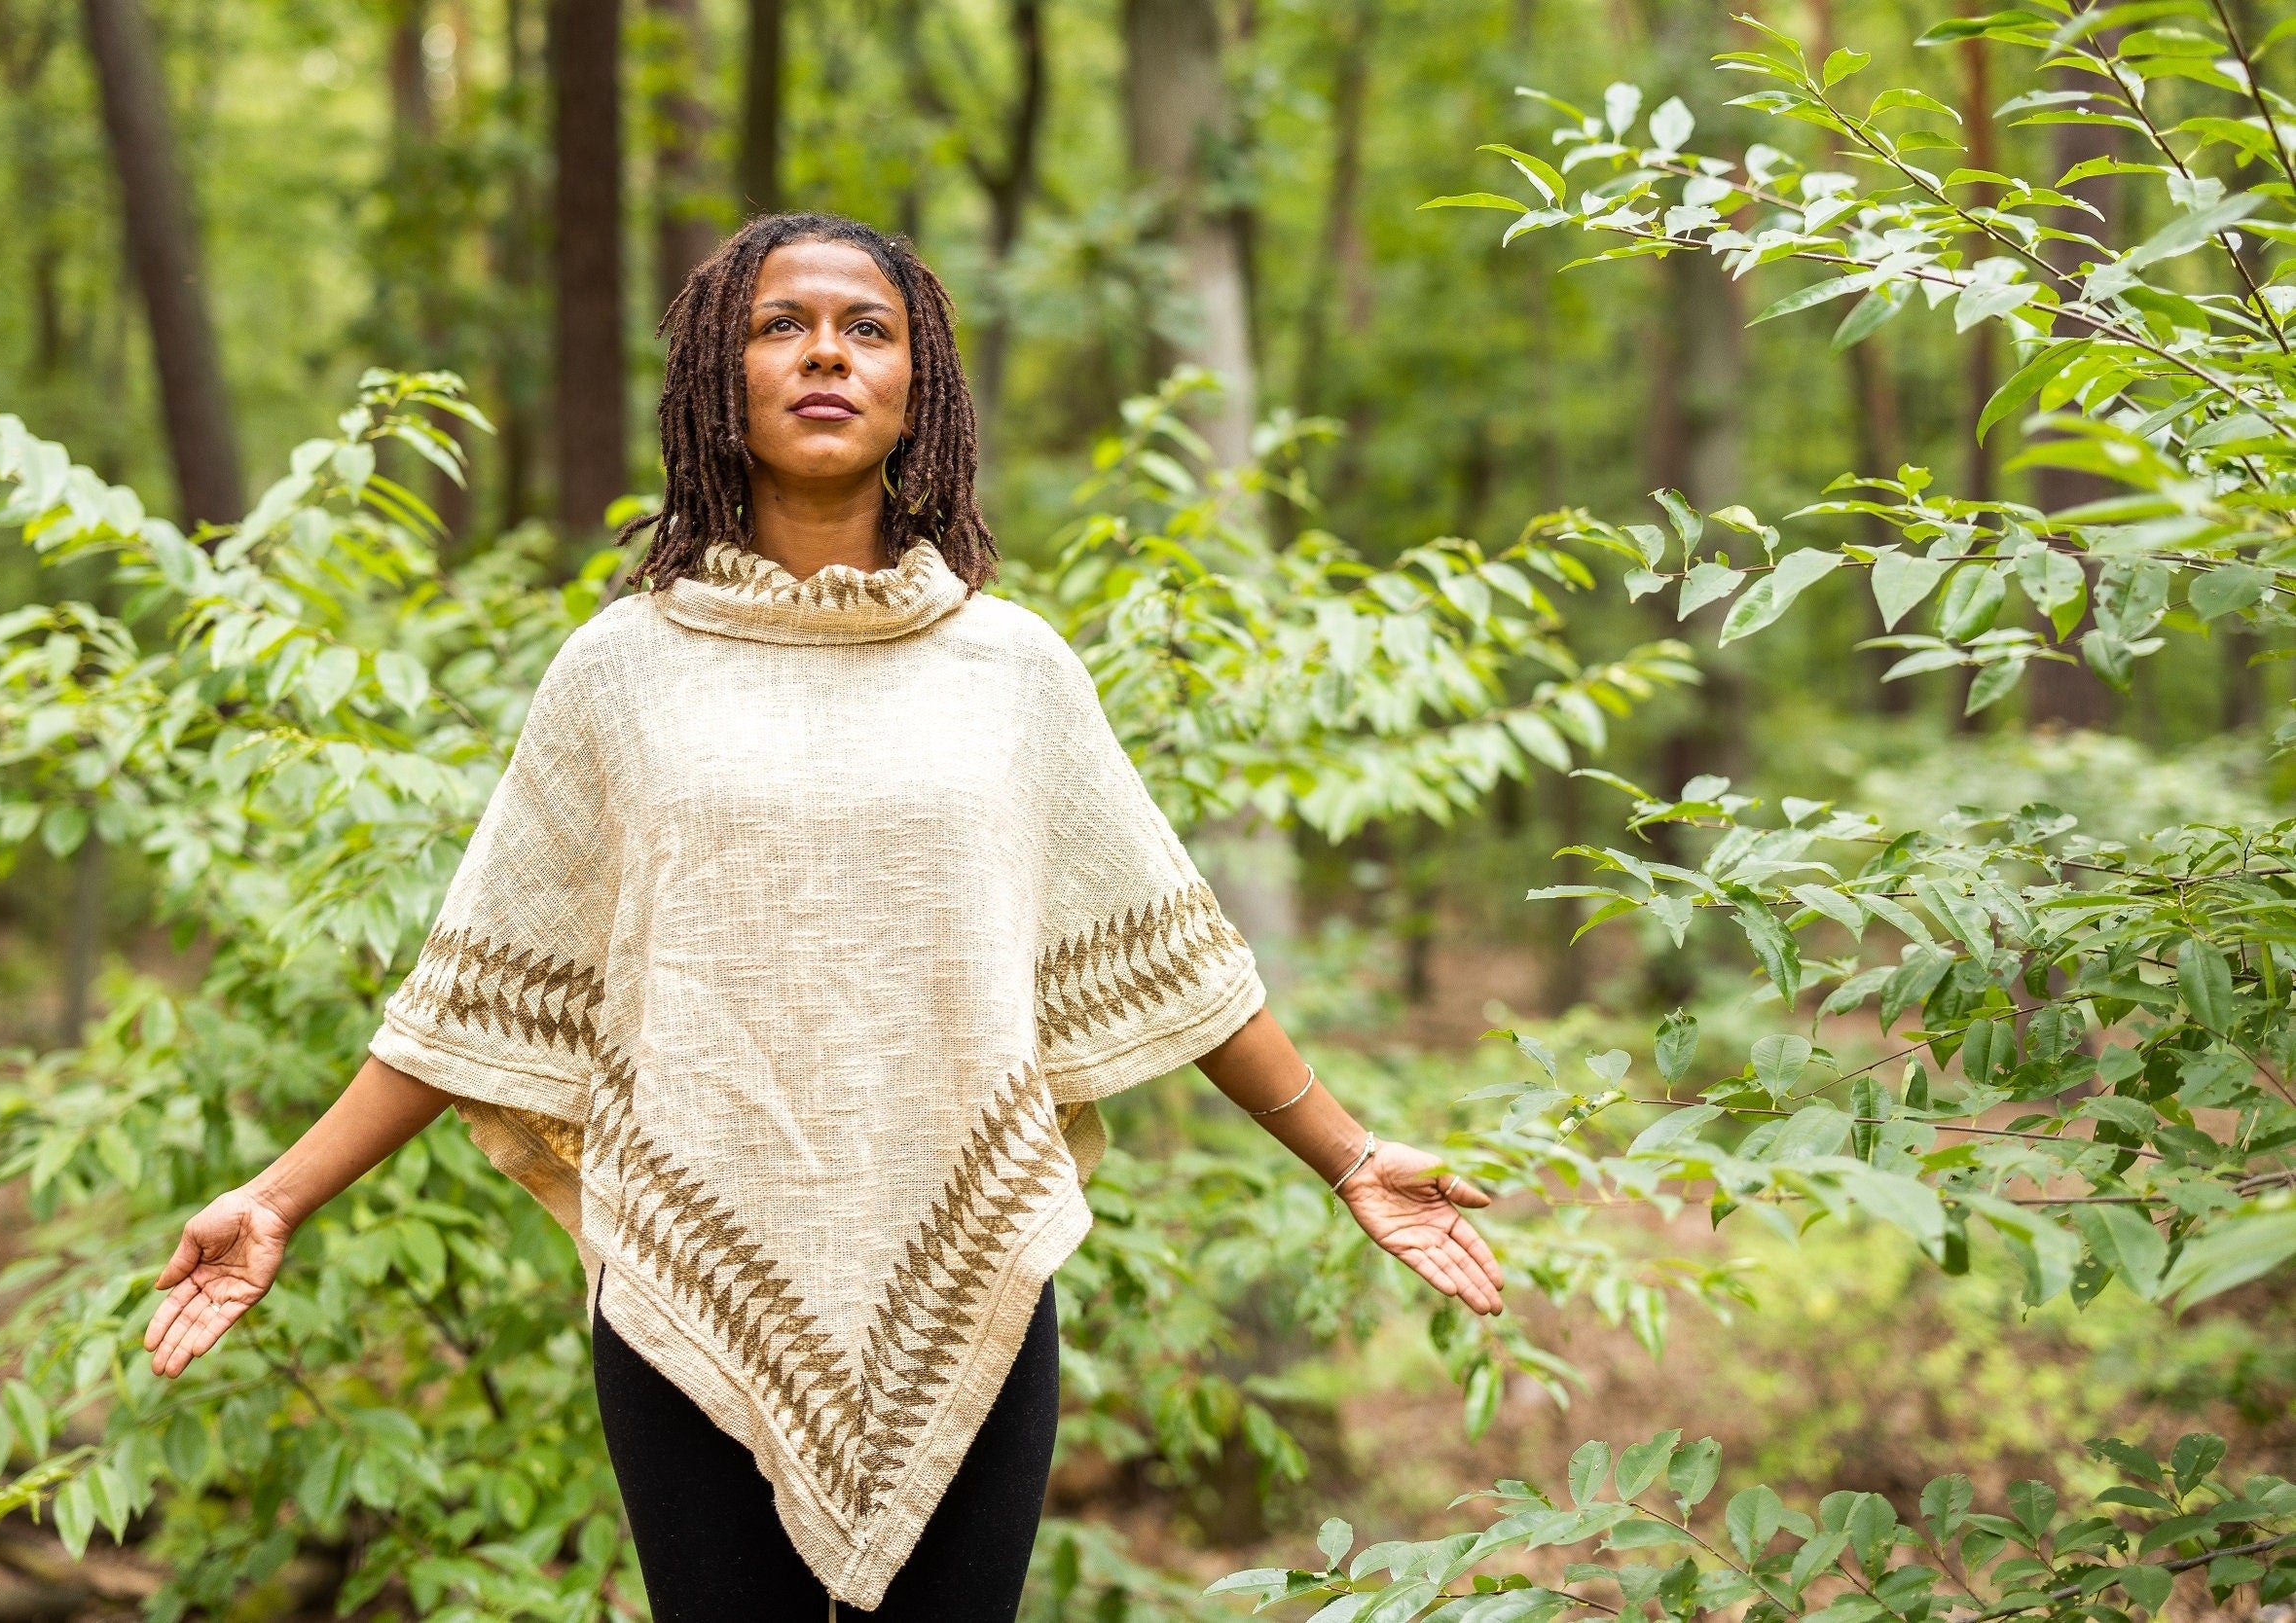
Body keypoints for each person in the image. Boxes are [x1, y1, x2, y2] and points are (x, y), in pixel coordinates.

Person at [142, 212, 1504, 1622]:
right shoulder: (620, 673)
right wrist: (275, 1197)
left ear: (923, 387)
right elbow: (481, 997)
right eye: (780, 326)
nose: (824, 356)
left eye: (867, 329)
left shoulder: (1013, 671)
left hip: (968, 1267)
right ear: (716, 384)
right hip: (687, 1283)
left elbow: (1176, 959)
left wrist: (1349, 1160)